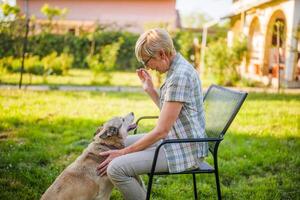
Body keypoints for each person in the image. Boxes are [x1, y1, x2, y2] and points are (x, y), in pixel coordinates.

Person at [96, 28, 208, 200]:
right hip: (174, 140)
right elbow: (170, 113)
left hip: (184, 150)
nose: (147, 67)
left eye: (147, 61)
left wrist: (123, 154)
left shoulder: (179, 77)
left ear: (162, 53)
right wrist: (150, 90)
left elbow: (161, 131)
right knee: (119, 143)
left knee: (116, 168)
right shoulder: (176, 69)